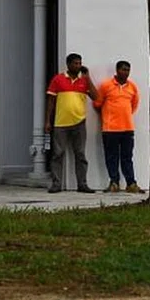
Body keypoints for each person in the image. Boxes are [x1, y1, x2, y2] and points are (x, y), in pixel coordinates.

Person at [45, 53, 98, 194]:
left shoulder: (83, 81)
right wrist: (47, 121)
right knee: (58, 154)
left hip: (79, 122)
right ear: (68, 64)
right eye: (75, 63)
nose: (78, 66)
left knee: (80, 154)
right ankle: (56, 184)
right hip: (60, 123)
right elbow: (50, 101)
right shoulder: (58, 79)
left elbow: (95, 96)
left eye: (80, 63)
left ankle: (82, 184)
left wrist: (88, 78)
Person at [94, 60, 145, 194]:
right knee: (112, 156)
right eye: (123, 69)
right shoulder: (106, 85)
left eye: (128, 70)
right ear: (117, 70)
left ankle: (131, 183)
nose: (125, 72)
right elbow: (97, 104)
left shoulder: (132, 87)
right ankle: (114, 182)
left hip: (127, 128)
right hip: (110, 129)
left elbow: (134, 105)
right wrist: (108, 116)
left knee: (127, 156)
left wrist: (124, 115)